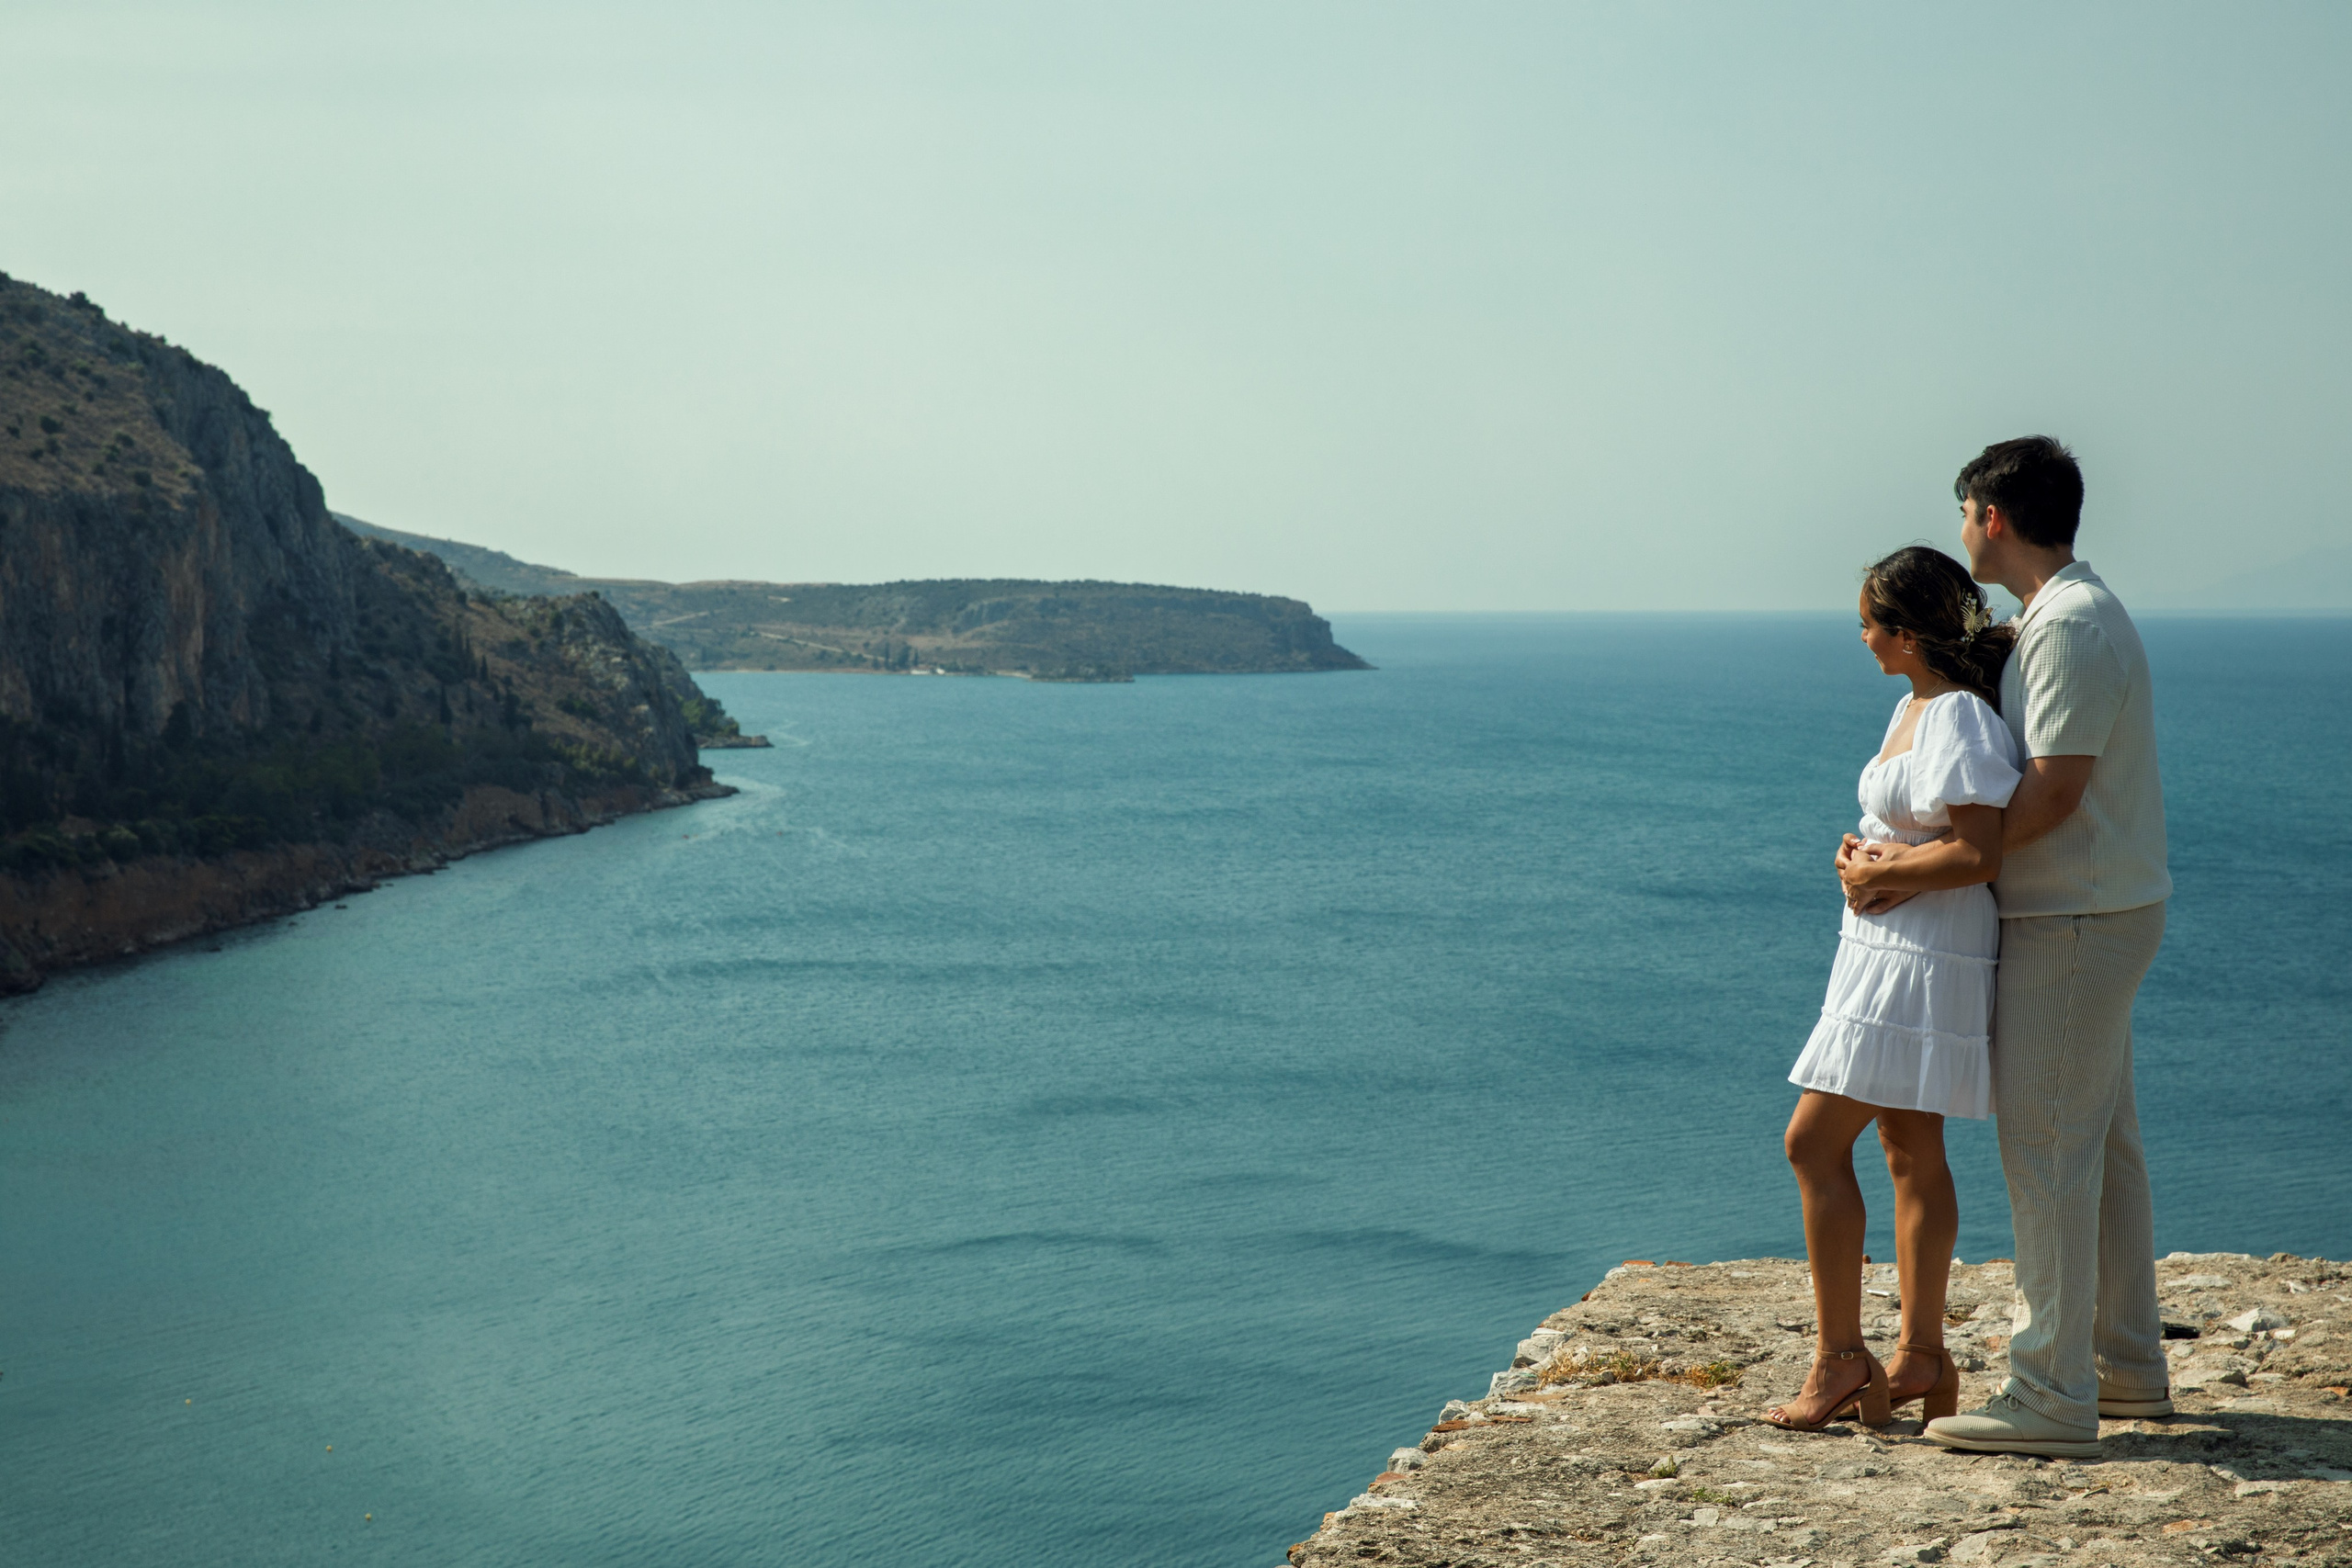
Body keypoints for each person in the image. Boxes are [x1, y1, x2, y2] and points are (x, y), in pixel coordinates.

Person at [1891, 436, 2172, 1461]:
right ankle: (2124, 1367)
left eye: (1965, 511)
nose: (1961, 525)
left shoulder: (2066, 629)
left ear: (1990, 517)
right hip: (2100, 908)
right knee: (2099, 1142)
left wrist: (1930, 865)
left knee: (2046, 1146)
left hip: (2072, 916)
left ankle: (2051, 1393)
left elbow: (2054, 790)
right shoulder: (2059, 620)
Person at [1766, 545, 2021, 1433]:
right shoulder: (1911, 703)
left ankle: (1841, 1359)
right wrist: (1858, 859)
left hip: (1923, 949)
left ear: (1906, 633)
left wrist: (1894, 866)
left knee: (1811, 1141)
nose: (1864, 640)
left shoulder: (1957, 716)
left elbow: (1979, 850)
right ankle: (1922, 1357)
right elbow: (1903, 827)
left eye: (1870, 625)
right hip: (1883, 939)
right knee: (1909, 1143)